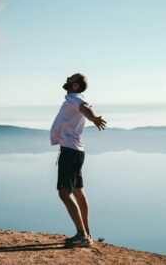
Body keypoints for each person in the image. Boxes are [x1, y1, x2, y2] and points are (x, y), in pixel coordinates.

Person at [50, 73, 107, 247]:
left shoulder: (75, 98)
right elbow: (84, 107)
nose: (67, 79)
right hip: (75, 150)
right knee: (77, 190)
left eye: (70, 79)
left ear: (75, 86)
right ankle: (86, 233)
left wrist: (94, 118)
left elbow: (85, 108)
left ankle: (82, 235)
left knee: (64, 192)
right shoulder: (73, 98)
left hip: (70, 151)